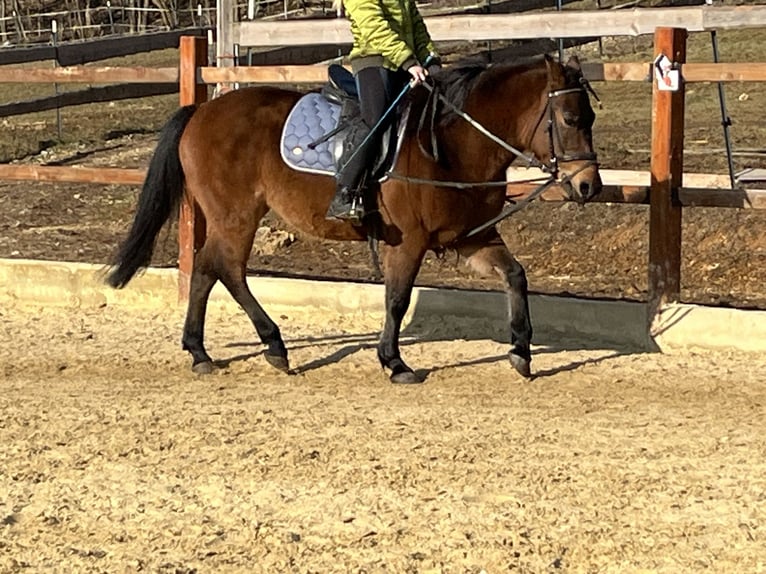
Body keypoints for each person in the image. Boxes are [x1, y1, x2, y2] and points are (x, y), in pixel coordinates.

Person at [326, 0, 441, 221]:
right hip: (374, 60)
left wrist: (431, 57)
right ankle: (345, 192)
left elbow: (414, 22)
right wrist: (408, 61)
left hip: (405, 62)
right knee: (375, 119)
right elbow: (373, 26)